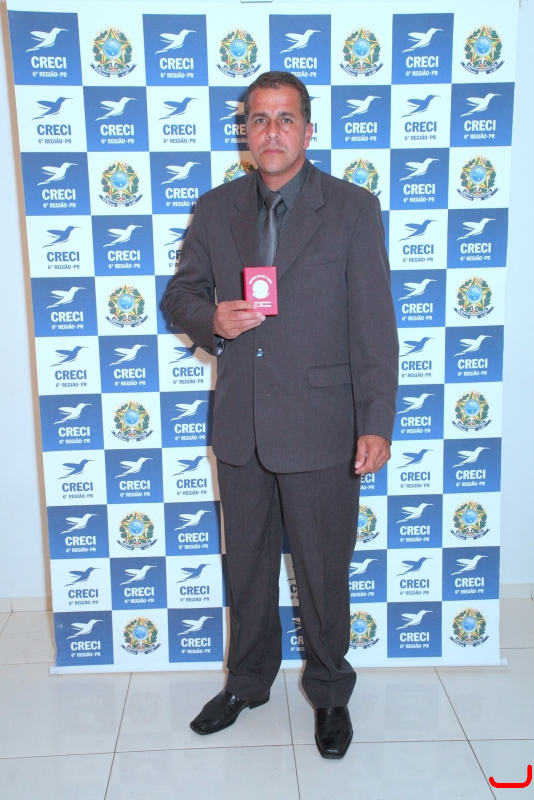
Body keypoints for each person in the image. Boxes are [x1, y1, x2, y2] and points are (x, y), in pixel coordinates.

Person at [163, 71, 398, 760]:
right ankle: (247, 684)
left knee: (323, 572)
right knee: (247, 570)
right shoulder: (216, 209)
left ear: (308, 129)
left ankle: (330, 694)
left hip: (322, 426)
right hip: (241, 426)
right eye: (259, 119)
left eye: (285, 118)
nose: (271, 131)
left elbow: (374, 326)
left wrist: (376, 421)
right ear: (246, 131)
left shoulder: (353, 209)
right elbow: (179, 297)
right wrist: (213, 319)